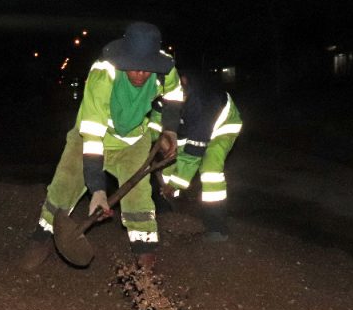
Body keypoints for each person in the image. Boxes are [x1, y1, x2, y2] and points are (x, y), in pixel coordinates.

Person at [20, 21, 184, 271]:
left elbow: (173, 96)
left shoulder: (164, 68)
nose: (140, 74)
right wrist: (97, 190)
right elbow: (93, 138)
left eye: (146, 69)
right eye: (133, 68)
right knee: (64, 186)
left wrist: (169, 130)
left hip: (133, 141)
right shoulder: (102, 75)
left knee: (139, 199)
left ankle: (145, 261)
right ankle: (41, 239)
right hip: (91, 137)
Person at [158, 70, 243, 241]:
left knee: (210, 170)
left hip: (221, 125)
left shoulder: (202, 103)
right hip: (189, 128)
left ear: (184, 83)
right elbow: (154, 120)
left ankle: (217, 228)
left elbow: (194, 152)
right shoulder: (160, 96)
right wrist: (157, 140)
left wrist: (176, 183)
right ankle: (169, 211)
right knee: (168, 162)